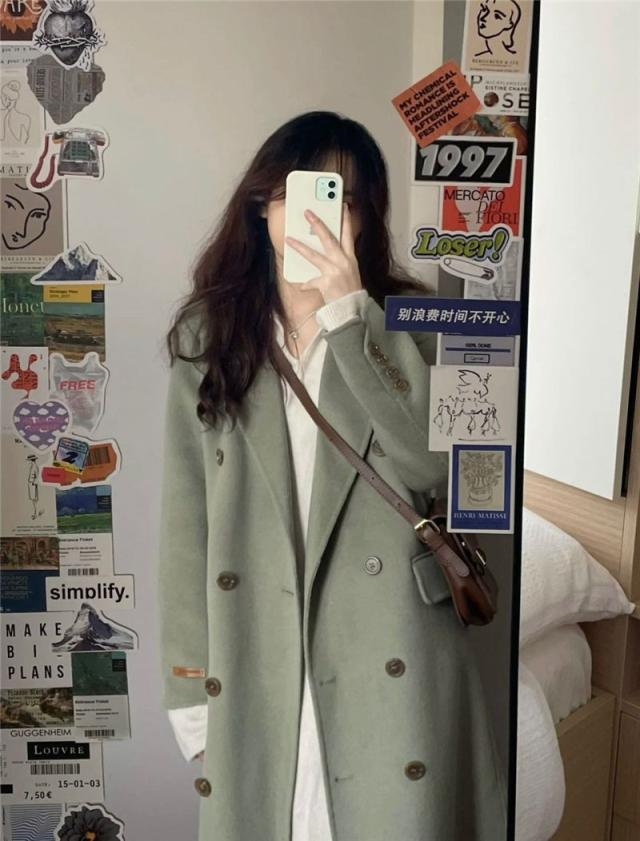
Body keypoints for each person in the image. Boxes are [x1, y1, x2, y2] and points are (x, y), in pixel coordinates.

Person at [157, 110, 508, 841]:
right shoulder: (208, 336)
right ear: (263, 205)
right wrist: (189, 689)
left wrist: (352, 315)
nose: (319, 217)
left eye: (343, 200)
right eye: (304, 192)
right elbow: (185, 527)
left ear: (366, 218)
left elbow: (432, 467)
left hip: (387, 648)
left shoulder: (414, 323)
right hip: (260, 651)